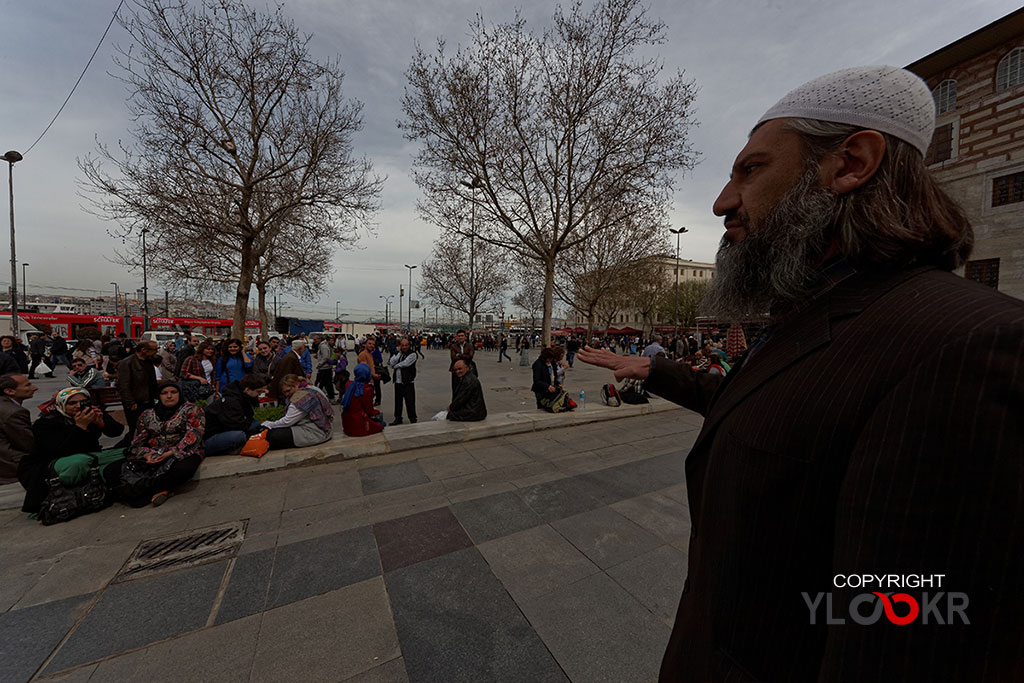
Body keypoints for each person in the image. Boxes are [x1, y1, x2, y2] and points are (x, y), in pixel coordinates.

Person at [579, 65, 1024, 682]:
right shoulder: (814, 311)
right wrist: (655, 370)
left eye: (751, 170)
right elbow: (789, 413)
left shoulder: (967, 346)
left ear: (850, 164)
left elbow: (907, 628)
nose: (722, 201)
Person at [18, 387, 125, 514]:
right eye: (72, 403)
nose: (78, 406)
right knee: (81, 462)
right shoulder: (45, 423)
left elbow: (117, 431)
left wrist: (101, 423)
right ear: (61, 405)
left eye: (83, 402)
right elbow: (58, 450)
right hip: (51, 464)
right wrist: (80, 427)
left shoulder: (91, 413)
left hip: (90, 457)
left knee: (126, 453)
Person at [122, 381, 205, 507]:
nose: (169, 396)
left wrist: (170, 453)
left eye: (173, 392)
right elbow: (137, 442)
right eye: (164, 393)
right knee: (112, 470)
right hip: (154, 453)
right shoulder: (147, 415)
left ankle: (144, 490)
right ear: (159, 396)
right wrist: (147, 454)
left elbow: (194, 436)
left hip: (183, 452)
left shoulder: (192, 410)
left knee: (183, 470)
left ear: (179, 393)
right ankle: (157, 489)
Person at [260, 373, 334, 449]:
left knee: (271, 436)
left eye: (288, 391)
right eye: (284, 392)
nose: (287, 394)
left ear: (296, 385)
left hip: (316, 433)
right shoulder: (312, 388)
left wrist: (268, 424)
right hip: (326, 429)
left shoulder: (300, 398)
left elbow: (287, 422)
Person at [203, 373, 267, 455]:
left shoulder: (242, 397)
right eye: (258, 392)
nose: (259, 395)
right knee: (240, 436)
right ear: (247, 390)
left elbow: (249, 416)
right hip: (211, 436)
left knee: (256, 423)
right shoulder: (231, 401)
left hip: (227, 428)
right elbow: (237, 425)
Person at [116, 340, 159, 446]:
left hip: (149, 399)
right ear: (144, 350)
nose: (156, 352)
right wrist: (130, 402)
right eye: (154, 349)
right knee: (136, 427)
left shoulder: (148, 361)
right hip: (135, 402)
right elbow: (123, 385)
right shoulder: (127, 363)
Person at [0, 374, 36, 484]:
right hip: (9, 465)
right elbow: (28, 444)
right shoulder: (15, 412)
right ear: (10, 391)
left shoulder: (4, 405)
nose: (34, 388)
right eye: (28, 385)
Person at [340, 363, 384, 437]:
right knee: (381, 423)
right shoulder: (367, 389)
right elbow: (370, 410)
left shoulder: (349, 384)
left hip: (347, 424)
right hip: (359, 424)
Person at [531, 346, 573, 412]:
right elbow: (536, 380)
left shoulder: (551, 363)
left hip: (550, 389)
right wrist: (547, 386)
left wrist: (557, 383)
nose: (550, 360)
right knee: (542, 408)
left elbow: (554, 375)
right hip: (541, 390)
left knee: (550, 406)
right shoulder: (538, 364)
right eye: (549, 359)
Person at [387, 337, 417, 425]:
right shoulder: (399, 353)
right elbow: (392, 362)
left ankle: (413, 418)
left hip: (408, 382)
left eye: (406, 345)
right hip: (398, 382)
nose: (404, 347)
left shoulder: (413, 354)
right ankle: (398, 418)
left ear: (409, 345)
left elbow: (406, 364)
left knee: (410, 402)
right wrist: (399, 353)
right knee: (398, 402)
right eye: (402, 345)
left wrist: (395, 366)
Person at [448, 331, 475, 396]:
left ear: (465, 337)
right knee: (456, 389)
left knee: (467, 389)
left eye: (462, 336)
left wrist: (459, 355)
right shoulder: (453, 346)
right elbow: (453, 358)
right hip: (456, 370)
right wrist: (465, 356)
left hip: (467, 369)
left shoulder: (470, 346)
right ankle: (455, 404)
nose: (460, 337)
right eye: (459, 336)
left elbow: (470, 357)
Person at [313, 334, 335, 401]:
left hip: (324, 368)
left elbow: (326, 357)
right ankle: (329, 397)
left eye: (315, 339)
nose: (314, 341)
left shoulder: (323, 346)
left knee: (321, 383)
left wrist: (319, 364)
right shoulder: (323, 346)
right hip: (325, 368)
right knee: (326, 383)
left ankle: (325, 397)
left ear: (319, 339)